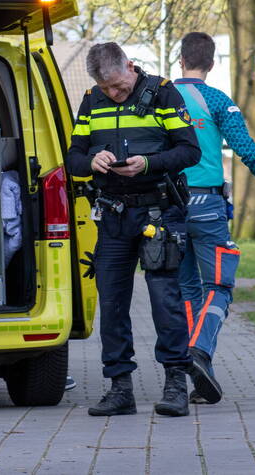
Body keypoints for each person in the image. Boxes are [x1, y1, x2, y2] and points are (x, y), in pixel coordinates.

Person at [66, 42, 204, 418]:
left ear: (130, 66)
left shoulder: (163, 94)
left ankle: (176, 382)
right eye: (107, 88)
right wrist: (91, 160)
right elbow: (72, 157)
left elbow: (190, 151)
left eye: (119, 86)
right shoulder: (92, 101)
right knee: (111, 304)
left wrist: (149, 163)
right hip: (112, 215)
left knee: (165, 301)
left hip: (158, 212)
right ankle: (120, 388)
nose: (115, 93)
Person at [173, 32, 255, 404]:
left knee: (186, 290)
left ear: (180, 60)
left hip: (170, 209)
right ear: (211, 65)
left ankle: (199, 372)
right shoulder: (216, 100)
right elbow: (245, 150)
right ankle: (199, 350)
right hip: (207, 208)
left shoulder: (159, 97)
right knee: (219, 286)